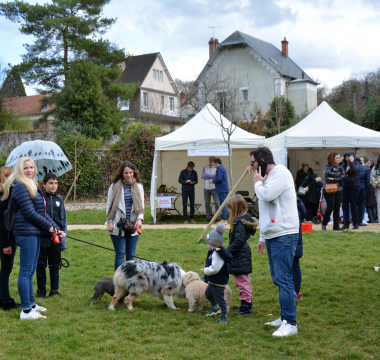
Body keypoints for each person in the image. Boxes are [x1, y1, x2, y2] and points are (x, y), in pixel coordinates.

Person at [2, 157, 66, 320]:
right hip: (25, 232)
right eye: (25, 168)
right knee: (25, 272)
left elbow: (42, 212)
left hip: (35, 232)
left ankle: (31, 304)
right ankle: (26, 311)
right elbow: (30, 213)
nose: (29, 170)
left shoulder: (32, 185)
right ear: (19, 170)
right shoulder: (20, 186)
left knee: (30, 271)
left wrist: (56, 229)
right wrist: (50, 228)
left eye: (31, 167)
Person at [250, 146, 299, 337]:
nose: (252, 167)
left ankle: (290, 322)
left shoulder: (280, 173)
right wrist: (263, 236)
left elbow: (267, 195)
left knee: (284, 278)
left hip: (284, 234)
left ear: (262, 162)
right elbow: (266, 208)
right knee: (277, 278)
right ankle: (284, 316)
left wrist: (257, 183)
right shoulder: (267, 179)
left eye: (253, 162)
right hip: (272, 234)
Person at [107, 161, 144, 271]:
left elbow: (141, 206)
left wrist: (140, 219)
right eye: (126, 173)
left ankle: (129, 282)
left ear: (134, 173)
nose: (128, 175)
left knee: (131, 255)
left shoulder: (138, 187)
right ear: (121, 174)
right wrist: (109, 222)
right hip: (118, 224)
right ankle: (118, 283)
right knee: (120, 255)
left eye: (130, 173)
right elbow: (109, 205)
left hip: (133, 224)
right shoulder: (114, 186)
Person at [36, 173, 67, 298]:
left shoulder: (59, 200)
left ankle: (54, 290)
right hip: (43, 237)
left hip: (56, 238)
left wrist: (62, 239)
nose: (53, 186)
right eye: (50, 183)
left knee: (54, 265)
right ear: (44, 184)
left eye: (56, 183)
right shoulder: (39, 198)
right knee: (41, 265)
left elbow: (63, 220)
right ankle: (41, 291)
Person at [226, 194, 257, 316]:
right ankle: (247, 302)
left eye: (230, 208)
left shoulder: (239, 222)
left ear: (235, 209)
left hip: (240, 254)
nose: (228, 211)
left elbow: (238, 241)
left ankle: (245, 307)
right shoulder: (244, 218)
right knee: (244, 280)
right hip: (242, 253)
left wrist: (228, 252)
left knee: (241, 282)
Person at [200, 223, 232, 324]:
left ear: (213, 243)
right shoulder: (214, 252)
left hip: (218, 281)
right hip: (213, 280)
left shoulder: (217, 254)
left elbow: (215, 268)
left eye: (208, 243)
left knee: (220, 298)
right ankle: (214, 307)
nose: (207, 245)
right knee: (208, 294)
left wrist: (205, 271)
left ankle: (224, 315)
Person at [0, 166, 20, 310]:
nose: (10, 179)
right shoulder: (2, 196)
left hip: (9, 237)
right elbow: (2, 222)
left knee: (6, 269)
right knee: (6, 270)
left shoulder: (10, 193)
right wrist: (5, 243)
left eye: (12, 176)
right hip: (5, 239)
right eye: (7, 176)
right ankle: (5, 301)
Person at [321, 152, 346, 231]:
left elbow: (344, 176)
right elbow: (327, 173)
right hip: (329, 189)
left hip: (339, 189)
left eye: (339, 158)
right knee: (331, 206)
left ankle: (336, 226)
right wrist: (339, 174)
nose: (339, 160)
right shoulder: (328, 166)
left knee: (337, 207)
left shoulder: (340, 166)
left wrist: (335, 178)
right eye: (337, 158)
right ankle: (324, 224)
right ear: (332, 159)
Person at [342, 151, 361, 229]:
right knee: (345, 205)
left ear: (352, 156)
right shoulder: (344, 165)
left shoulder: (357, 164)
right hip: (345, 187)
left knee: (353, 205)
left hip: (354, 186)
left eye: (348, 157)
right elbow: (341, 173)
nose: (347, 159)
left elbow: (354, 170)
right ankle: (346, 223)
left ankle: (355, 223)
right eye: (346, 157)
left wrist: (352, 161)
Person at [201, 156, 220, 222]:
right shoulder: (205, 167)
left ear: (214, 160)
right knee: (207, 203)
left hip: (214, 187)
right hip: (206, 187)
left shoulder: (216, 167)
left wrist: (207, 175)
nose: (210, 161)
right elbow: (202, 176)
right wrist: (211, 176)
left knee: (217, 203)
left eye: (212, 159)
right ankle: (208, 217)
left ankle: (218, 217)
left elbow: (216, 176)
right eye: (209, 159)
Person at [294, 197, 306, 299]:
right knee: (295, 266)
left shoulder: (294, 207)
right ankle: (295, 290)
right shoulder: (298, 204)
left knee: (294, 267)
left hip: (293, 239)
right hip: (297, 240)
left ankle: (295, 290)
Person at [211, 158, 229, 225]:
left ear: (217, 163)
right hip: (224, 188)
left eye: (214, 164)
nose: (214, 165)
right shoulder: (223, 168)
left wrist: (212, 181)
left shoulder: (220, 169)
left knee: (223, 204)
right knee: (224, 204)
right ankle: (224, 218)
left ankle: (224, 219)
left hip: (222, 189)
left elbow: (219, 178)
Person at [357, 157, 370, 226]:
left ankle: (354, 219)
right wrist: (366, 188)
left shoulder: (351, 168)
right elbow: (368, 180)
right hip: (362, 187)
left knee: (354, 204)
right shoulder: (365, 168)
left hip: (353, 188)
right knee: (361, 205)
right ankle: (359, 220)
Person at [370, 154, 380, 224]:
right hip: (379, 188)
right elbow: (372, 177)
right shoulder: (375, 168)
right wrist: (377, 184)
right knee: (379, 204)